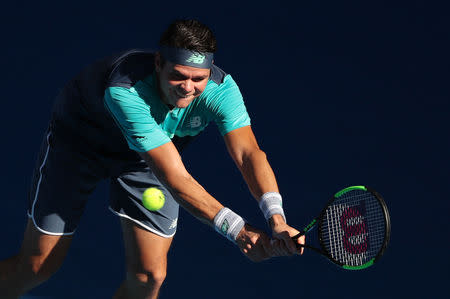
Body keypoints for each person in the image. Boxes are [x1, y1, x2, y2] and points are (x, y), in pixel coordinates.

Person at [0, 19, 305, 299]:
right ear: (158, 63)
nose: (188, 87)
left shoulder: (221, 90)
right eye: (178, 76)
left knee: (150, 277)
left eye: (198, 79)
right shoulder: (125, 91)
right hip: (80, 146)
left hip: (146, 160)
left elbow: (248, 153)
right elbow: (175, 178)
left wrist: (276, 218)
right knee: (38, 265)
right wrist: (237, 229)